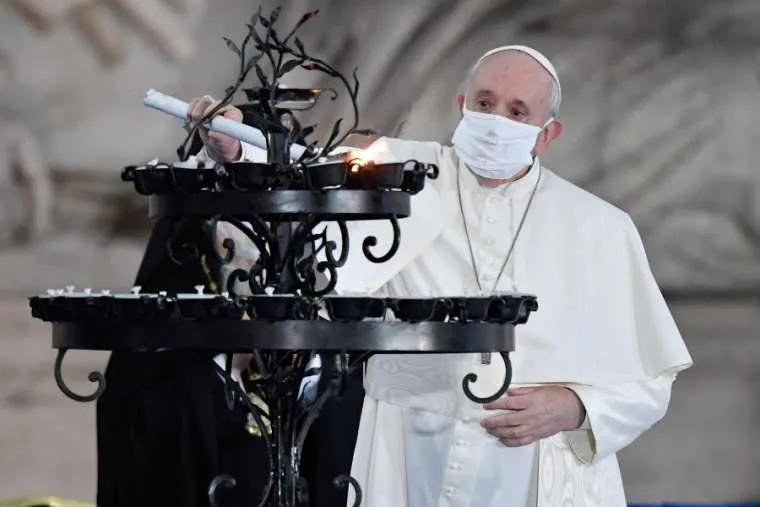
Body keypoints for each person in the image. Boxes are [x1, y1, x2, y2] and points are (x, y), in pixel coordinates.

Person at [189, 44, 693, 507]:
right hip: (405, 450)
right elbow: (304, 177)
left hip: (538, 468)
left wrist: (577, 407)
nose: (497, 120)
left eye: (518, 112)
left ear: (547, 134)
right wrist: (236, 147)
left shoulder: (600, 226)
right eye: (485, 103)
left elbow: (651, 379)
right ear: (462, 106)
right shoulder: (399, 178)